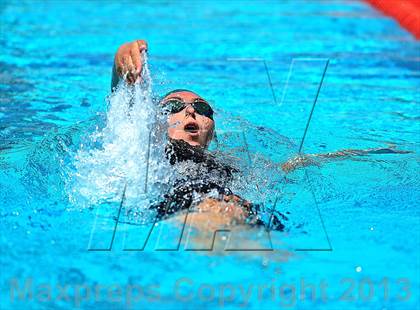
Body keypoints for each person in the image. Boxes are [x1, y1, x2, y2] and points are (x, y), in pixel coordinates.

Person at [111, 40, 411, 232]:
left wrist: (363, 153)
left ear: (212, 131)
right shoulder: (148, 149)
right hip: (190, 205)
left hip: (241, 208)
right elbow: (122, 109)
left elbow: (290, 165)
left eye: (202, 108)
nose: (191, 113)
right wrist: (120, 61)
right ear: (155, 123)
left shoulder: (232, 163)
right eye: (175, 107)